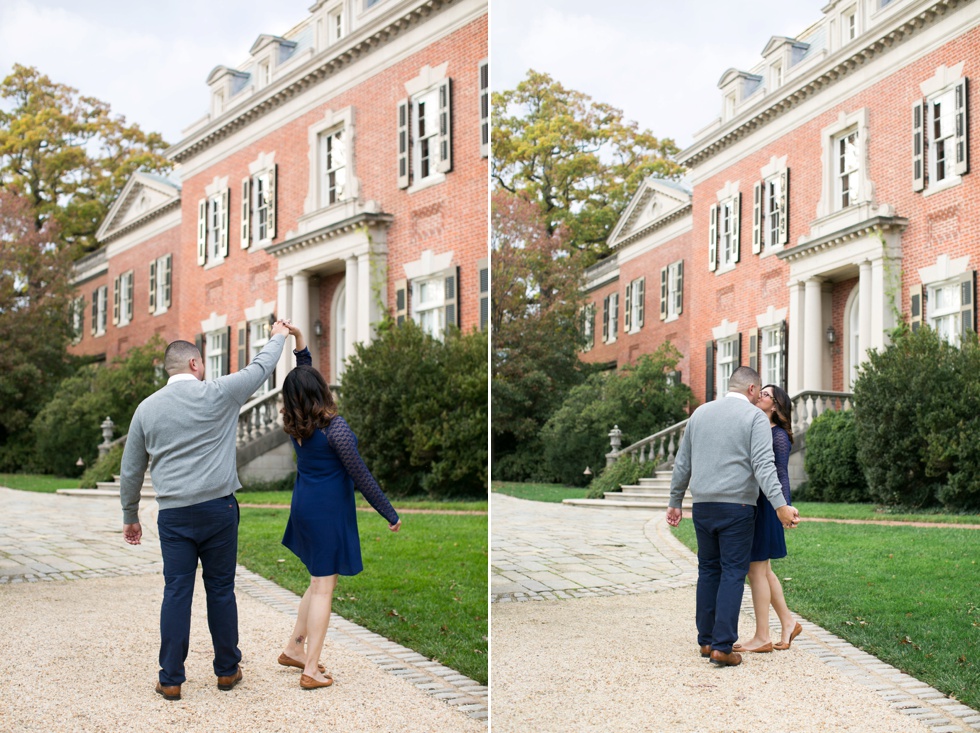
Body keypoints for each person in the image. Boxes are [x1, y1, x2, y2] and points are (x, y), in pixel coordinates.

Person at [120, 321, 290, 701]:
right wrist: (279, 334)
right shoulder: (219, 393)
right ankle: (227, 671)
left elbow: (131, 468)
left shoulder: (146, 409)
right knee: (221, 590)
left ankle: (171, 678)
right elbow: (261, 368)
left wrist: (130, 515)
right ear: (196, 364)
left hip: (174, 515)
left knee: (177, 591)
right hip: (219, 509)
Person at [277, 324, 401, 690]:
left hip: (304, 507)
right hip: (327, 513)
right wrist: (389, 513)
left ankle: (294, 648)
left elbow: (302, 374)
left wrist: (299, 341)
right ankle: (311, 668)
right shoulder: (336, 429)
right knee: (324, 589)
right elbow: (362, 477)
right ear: (321, 390)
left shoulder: (298, 424)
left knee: (317, 583)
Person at [666, 366, 800, 667]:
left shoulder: (699, 413)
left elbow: (682, 462)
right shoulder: (753, 418)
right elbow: (765, 467)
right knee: (732, 573)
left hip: (702, 506)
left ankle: (707, 640)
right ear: (752, 390)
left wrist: (675, 501)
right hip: (737, 508)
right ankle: (723, 647)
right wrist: (781, 506)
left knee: (709, 570)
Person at [733, 384, 803, 653]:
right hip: (759, 504)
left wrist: (783, 507)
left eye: (766, 395)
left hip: (768, 506)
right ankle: (788, 622)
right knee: (764, 569)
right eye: (759, 392)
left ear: (775, 406)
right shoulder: (759, 428)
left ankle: (762, 636)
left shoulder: (779, 436)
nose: (759, 396)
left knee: (756, 569)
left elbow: (781, 474)